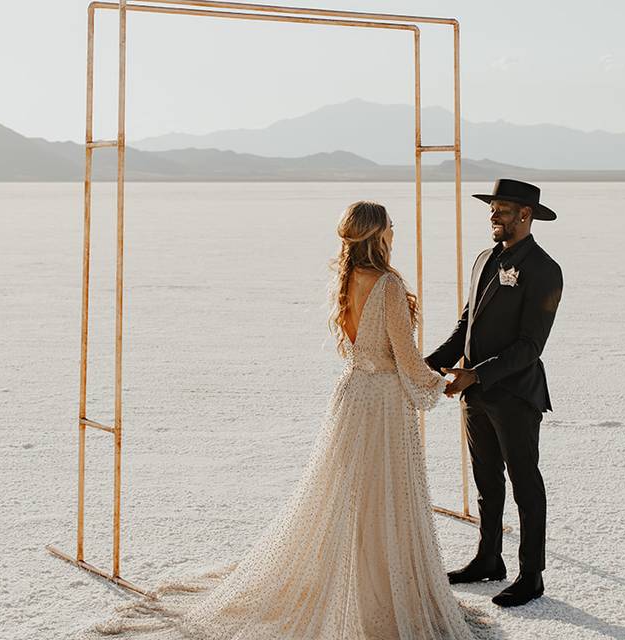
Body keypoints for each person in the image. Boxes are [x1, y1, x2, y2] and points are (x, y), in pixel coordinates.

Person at [88, 201, 482, 639]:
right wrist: (445, 383)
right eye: (391, 225)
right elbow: (406, 360)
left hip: (352, 397)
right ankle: (377, 599)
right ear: (379, 234)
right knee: (382, 496)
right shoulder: (387, 284)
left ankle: (352, 584)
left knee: (350, 495)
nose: (395, 231)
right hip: (383, 404)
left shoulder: (347, 278)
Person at [426, 179, 564, 608]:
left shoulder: (545, 270)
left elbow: (530, 346)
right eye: (492, 208)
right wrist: (428, 364)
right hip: (476, 395)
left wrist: (476, 375)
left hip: (516, 396)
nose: (493, 215)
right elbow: (466, 325)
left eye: (502, 209)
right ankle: (489, 559)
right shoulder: (484, 258)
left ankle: (532, 575)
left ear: (525, 215)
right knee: (487, 482)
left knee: (525, 484)